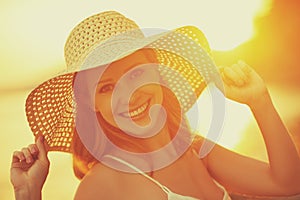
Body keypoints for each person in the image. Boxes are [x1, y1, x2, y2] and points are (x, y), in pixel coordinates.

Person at [10, 11, 300, 200]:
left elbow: (288, 184)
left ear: (159, 72)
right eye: (107, 88)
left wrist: (259, 102)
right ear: (91, 104)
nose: (130, 95)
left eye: (135, 73)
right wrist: (28, 194)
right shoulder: (102, 187)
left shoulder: (196, 150)